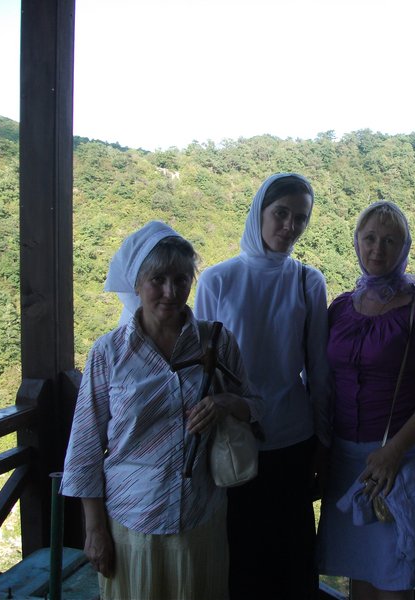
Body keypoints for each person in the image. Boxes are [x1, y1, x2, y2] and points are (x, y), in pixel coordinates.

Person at [61, 221, 263, 600]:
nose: (171, 292)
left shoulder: (217, 341)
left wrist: (224, 403)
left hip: (200, 519)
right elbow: (85, 447)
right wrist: (94, 529)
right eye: (158, 279)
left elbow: (255, 407)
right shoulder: (109, 353)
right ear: (136, 283)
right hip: (131, 523)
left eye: (181, 279)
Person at [193, 173, 331, 600]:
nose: (290, 226)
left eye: (300, 218)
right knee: (241, 558)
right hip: (235, 439)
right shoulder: (218, 280)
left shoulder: (308, 281)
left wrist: (324, 441)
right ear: (259, 213)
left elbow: (319, 370)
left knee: (294, 558)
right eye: (281, 214)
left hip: (293, 437)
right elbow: (201, 370)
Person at [317, 200, 415, 600]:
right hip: (347, 460)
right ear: (357, 242)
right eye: (370, 238)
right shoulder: (341, 308)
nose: (378, 249)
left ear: (404, 247)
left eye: (390, 241)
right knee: (360, 578)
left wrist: (394, 451)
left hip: (399, 462)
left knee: (394, 580)